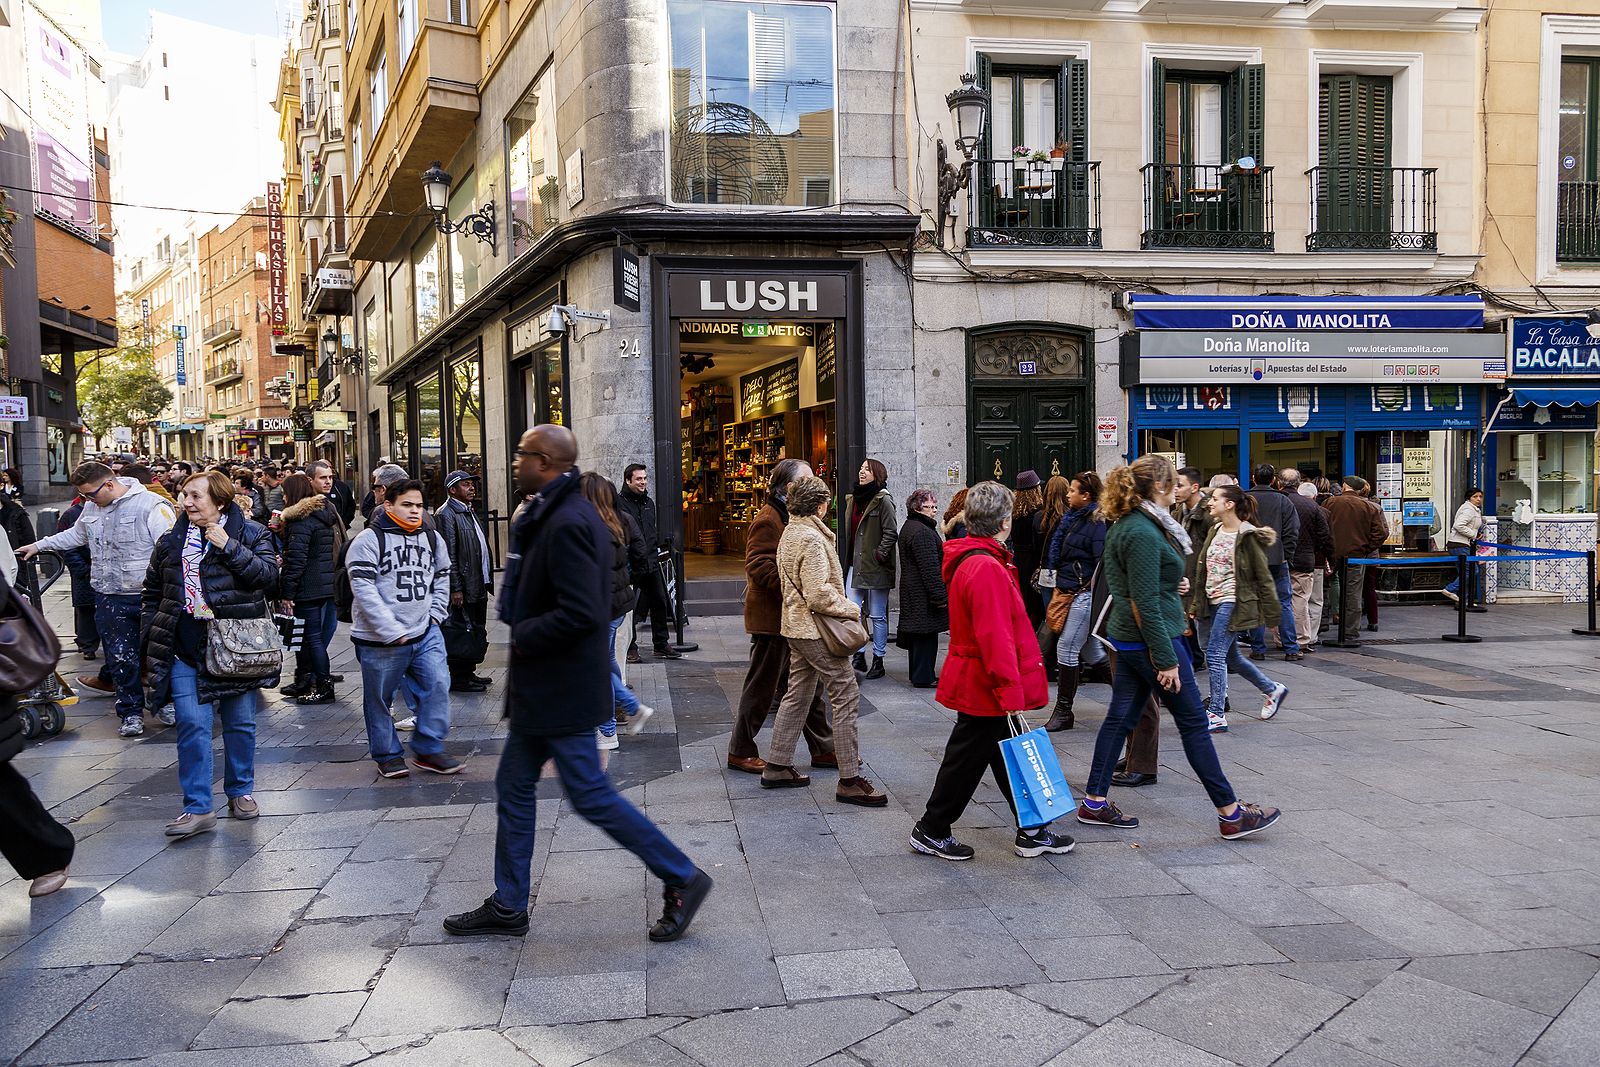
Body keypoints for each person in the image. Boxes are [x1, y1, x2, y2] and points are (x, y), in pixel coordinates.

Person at [444, 425, 712, 941]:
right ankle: (508, 903)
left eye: (522, 454)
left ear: (545, 461)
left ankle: (682, 876)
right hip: (541, 685)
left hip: (562, 685)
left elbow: (584, 613)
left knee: (590, 795)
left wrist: (523, 631)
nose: (514, 461)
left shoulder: (570, 520)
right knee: (514, 786)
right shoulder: (546, 511)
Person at [1077, 454, 1282, 840]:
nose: (1181, 489)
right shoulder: (1140, 530)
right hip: (1150, 640)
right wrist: (1166, 659)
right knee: (1193, 724)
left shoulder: (1141, 523)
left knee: (1120, 718)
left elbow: (1147, 587)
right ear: (1159, 487)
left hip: (1135, 639)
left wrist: (1174, 586)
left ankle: (1094, 802)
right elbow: (1142, 602)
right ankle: (1231, 813)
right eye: (1174, 483)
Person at [909, 481, 1076, 862]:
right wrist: (1009, 690)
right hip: (985, 681)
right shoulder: (985, 566)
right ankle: (933, 827)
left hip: (980, 677)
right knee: (967, 758)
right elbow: (995, 637)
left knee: (1003, 753)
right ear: (1004, 522)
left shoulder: (980, 560)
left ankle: (1030, 829)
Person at [141, 471, 279, 837]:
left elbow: (267, 578)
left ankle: (240, 791)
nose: (186, 502)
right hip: (185, 647)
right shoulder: (170, 541)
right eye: (184, 495)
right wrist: (151, 629)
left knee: (240, 724)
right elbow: (152, 591)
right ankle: (198, 807)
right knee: (192, 725)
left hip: (234, 648)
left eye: (195, 496)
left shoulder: (252, 533)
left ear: (219, 502)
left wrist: (227, 546)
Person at [22, 461, 177, 737]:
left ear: (109, 483)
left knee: (158, 655)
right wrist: (39, 545)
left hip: (148, 596)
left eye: (91, 494)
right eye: (84, 496)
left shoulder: (151, 505)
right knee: (120, 658)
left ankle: (164, 703)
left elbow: (169, 550)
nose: (88, 500)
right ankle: (130, 713)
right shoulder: (93, 507)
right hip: (109, 594)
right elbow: (76, 535)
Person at [761, 475, 887, 806]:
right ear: (820, 505)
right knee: (845, 694)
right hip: (816, 630)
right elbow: (818, 594)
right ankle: (849, 779)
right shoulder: (812, 540)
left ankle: (777, 763)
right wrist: (850, 607)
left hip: (796, 627)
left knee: (798, 694)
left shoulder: (791, 532)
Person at [346, 479, 463, 778]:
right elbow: (363, 587)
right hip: (379, 641)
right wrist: (389, 629)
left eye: (419, 506)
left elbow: (442, 575)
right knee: (380, 700)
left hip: (425, 631)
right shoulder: (368, 540)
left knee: (437, 686)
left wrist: (436, 613)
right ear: (388, 505)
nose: (415, 512)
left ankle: (428, 749)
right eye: (407, 505)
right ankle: (387, 755)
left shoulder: (432, 538)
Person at [728, 459, 834, 774]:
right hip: (773, 620)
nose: (813, 483)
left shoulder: (793, 516)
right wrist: (796, 583)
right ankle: (741, 749)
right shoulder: (769, 519)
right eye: (807, 478)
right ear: (788, 487)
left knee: (807, 686)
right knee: (762, 687)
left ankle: (824, 748)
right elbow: (758, 564)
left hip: (792, 618)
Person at [1189, 486, 1292, 730]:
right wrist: (1196, 602)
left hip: (1233, 600)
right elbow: (1203, 570)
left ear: (1230, 504)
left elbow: (1263, 576)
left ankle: (1215, 713)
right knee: (1231, 656)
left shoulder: (1247, 535)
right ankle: (1272, 689)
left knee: (1214, 654)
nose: (1209, 503)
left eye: (1214, 499)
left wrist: (1272, 613)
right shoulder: (1215, 529)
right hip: (1211, 600)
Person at [579, 472, 655, 749]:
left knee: (597, 666)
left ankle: (610, 728)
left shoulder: (595, 528)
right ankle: (627, 711)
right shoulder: (614, 521)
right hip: (615, 606)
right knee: (606, 661)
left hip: (601, 609)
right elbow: (637, 553)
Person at [1043, 472, 1108, 732]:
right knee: (1092, 651)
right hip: (1071, 589)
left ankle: (1063, 711)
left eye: (1073, 490)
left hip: (1083, 593)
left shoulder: (1095, 522)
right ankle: (1136, 697)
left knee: (1067, 648)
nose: (1068, 494)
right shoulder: (1073, 519)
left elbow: (1101, 561)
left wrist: (1085, 586)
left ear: (1086, 496)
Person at [278, 472, 342, 705]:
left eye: (285, 493)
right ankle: (306, 680)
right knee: (307, 638)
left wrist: (287, 594)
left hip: (309, 586)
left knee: (311, 638)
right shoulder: (321, 515)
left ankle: (324, 686)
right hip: (323, 584)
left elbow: (296, 560)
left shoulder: (300, 520)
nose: (283, 498)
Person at [434, 470, 494, 693]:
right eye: (466, 485)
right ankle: (459, 678)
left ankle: (468, 672)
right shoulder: (447, 514)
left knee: (475, 629)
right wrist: (455, 587)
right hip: (465, 586)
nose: (471, 488)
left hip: (478, 583)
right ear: (452, 490)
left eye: (472, 484)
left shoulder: (468, 511)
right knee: (461, 630)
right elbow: (448, 554)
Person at [619, 464, 682, 661]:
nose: (643, 482)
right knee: (628, 607)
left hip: (650, 562)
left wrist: (653, 557)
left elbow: (651, 533)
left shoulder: (649, 503)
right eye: (639, 479)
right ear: (628, 480)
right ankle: (631, 647)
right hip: (631, 564)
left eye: (645, 478)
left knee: (659, 602)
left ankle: (661, 644)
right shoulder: (620, 505)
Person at [844, 459, 897, 680]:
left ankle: (879, 659)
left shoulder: (883, 500)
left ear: (878, 474)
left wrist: (879, 554)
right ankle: (859, 653)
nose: (862, 472)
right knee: (852, 610)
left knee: (877, 615)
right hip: (855, 565)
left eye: (867, 469)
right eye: (861, 468)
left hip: (876, 566)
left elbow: (891, 532)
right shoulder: (852, 500)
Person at [1245, 464, 1301, 661]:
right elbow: (1292, 530)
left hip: (1251, 559)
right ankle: (1291, 648)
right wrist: (1287, 554)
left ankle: (1258, 648)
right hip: (1278, 558)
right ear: (1273, 480)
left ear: (1253, 478)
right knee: (1284, 603)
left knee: (1256, 603)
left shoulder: (1246, 500)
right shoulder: (1282, 501)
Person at [1325, 476, 1389, 640]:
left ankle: (1321, 624)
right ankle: (1350, 630)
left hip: (1332, 553)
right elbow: (1381, 533)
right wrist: (1367, 548)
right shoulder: (1369, 506)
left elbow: (1322, 526)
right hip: (1356, 555)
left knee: (1324, 588)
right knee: (1353, 593)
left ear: (1345, 486)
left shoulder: (1330, 503)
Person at [896, 488, 947, 689]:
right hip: (922, 593)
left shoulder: (912, 526)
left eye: (935, 506)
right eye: (929, 506)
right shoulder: (922, 531)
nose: (934, 510)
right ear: (917, 508)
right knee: (925, 635)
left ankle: (919, 674)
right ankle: (923, 676)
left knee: (920, 636)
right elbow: (930, 568)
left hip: (913, 590)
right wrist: (939, 596)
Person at [1282, 474, 1333, 654]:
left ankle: (1282, 637)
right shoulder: (1314, 507)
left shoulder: (1281, 501)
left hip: (1280, 558)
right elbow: (1324, 535)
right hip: (1306, 560)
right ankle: (1304, 638)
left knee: (1282, 599)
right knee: (1302, 600)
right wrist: (1314, 548)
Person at [56, 494, 99, 659]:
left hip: (104, 570)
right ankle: (87, 645)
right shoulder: (71, 514)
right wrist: (82, 569)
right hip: (84, 571)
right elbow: (66, 545)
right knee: (86, 609)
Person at [1009, 470, 1046, 629]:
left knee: (1024, 603)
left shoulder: (1014, 514)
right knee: (1036, 606)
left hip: (1019, 562)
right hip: (1034, 563)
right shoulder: (1037, 515)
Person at [1443, 486, 1484, 606]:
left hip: (1459, 544)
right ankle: (1450, 589)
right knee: (1472, 570)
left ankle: (1463, 601)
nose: (1478, 499)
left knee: (1465, 572)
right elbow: (1459, 525)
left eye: (1480, 496)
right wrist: (1473, 535)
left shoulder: (1474, 509)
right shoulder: (1469, 510)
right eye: (1475, 496)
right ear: (1469, 498)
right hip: (1459, 544)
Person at [309, 459, 358, 529]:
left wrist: (343, 523)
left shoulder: (341, 487)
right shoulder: (305, 506)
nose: (328, 481)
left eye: (330, 477)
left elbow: (351, 506)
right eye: (323, 477)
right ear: (310, 480)